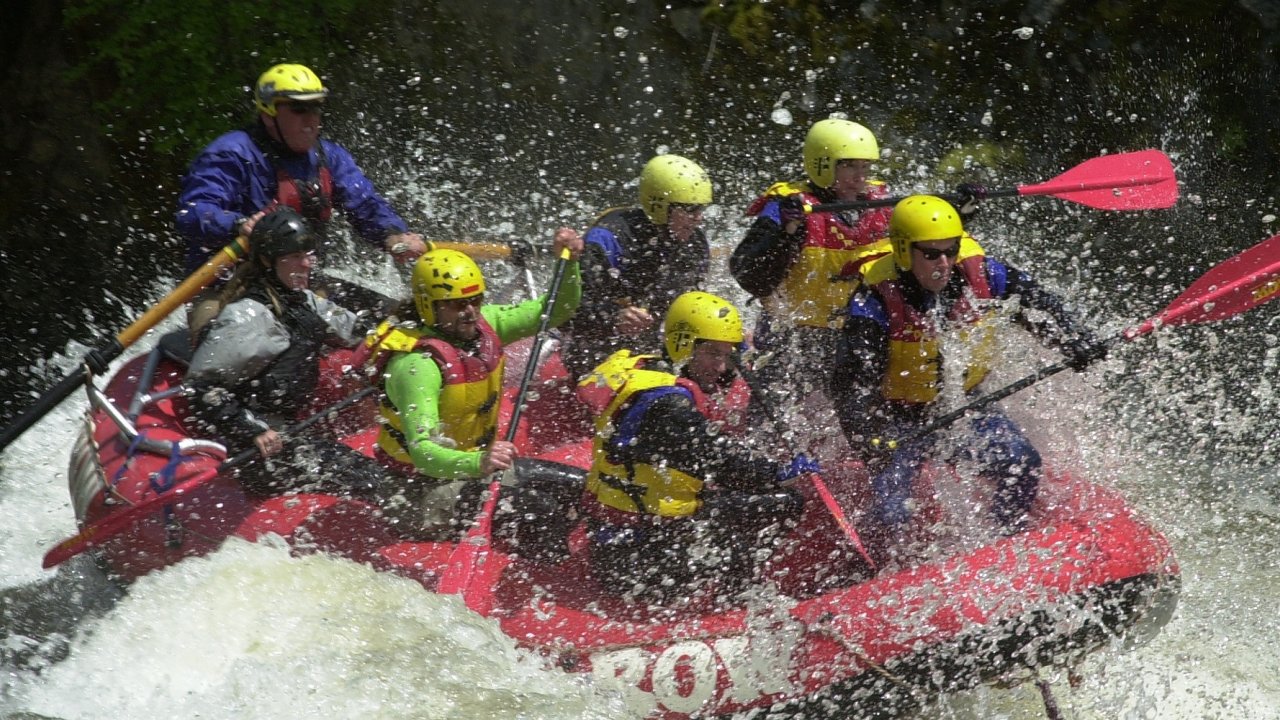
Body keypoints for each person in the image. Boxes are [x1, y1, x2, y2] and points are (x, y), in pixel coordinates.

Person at [829, 195, 1109, 552]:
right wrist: (867, 436)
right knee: (891, 514)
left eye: (951, 250)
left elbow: (1039, 304)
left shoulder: (984, 272)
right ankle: (871, 571)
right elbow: (851, 383)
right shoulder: (874, 300)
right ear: (903, 251)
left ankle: (1004, 546)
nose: (944, 263)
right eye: (931, 254)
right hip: (896, 417)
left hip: (962, 406)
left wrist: (1074, 340)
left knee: (1020, 463)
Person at [577, 291, 812, 604]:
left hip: (631, 534)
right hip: (634, 562)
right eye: (712, 354)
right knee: (781, 504)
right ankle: (734, 610)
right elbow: (722, 464)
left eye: (726, 355)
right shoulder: (667, 406)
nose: (720, 366)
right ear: (683, 345)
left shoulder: (649, 369)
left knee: (742, 504)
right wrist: (779, 472)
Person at [362, 229, 585, 547]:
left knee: (580, 485)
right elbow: (423, 453)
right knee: (541, 507)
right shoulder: (416, 366)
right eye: (456, 305)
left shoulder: (485, 325)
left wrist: (571, 263)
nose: (470, 311)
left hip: (471, 472)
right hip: (416, 494)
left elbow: (555, 309)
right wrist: (478, 462)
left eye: (475, 299)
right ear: (429, 306)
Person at [175, 63, 426, 323]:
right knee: (218, 346)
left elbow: (366, 205)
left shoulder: (329, 157)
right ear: (268, 114)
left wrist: (392, 235)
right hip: (230, 287)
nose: (311, 119)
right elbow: (192, 214)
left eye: (316, 108)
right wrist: (238, 225)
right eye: (298, 109)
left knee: (400, 321)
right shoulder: (230, 154)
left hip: (301, 281)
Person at [184, 208, 384, 498]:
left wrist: (397, 328)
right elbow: (201, 389)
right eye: (293, 257)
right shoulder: (248, 316)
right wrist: (251, 431)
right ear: (267, 261)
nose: (305, 265)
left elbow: (355, 330)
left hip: (290, 429)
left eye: (308, 255)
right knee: (364, 476)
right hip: (257, 448)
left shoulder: (301, 301)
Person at [729, 118, 893, 408]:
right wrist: (787, 234)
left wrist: (961, 212)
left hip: (852, 334)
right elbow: (747, 273)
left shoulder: (880, 203)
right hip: (792, 338)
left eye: (865, 167)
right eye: (850, 166)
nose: (860, 177)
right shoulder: (787, 206)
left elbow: (925, 247)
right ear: (822, 165)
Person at [559, 154, 713, 381]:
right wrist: (613, 318)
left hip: (653, 352)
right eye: (690, 210)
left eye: (702, 209)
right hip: (597, 355)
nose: (698, 218)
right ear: (660, 206)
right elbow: (565, 313)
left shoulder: (695, 244)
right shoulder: (609, 239)